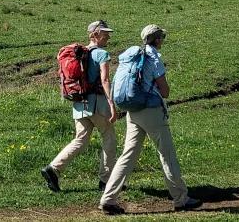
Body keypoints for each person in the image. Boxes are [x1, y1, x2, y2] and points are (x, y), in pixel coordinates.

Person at [99, 25, 201, 215]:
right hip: (151, 111)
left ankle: (108, 199)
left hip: (133, 110)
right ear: (157, 39)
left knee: (127, 155)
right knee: (167, 154)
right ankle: (181, 199)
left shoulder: (132, 55)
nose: (163, 40)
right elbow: (165, 91)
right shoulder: (154, 57)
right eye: (161, 37)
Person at [41, 20, 119, 192]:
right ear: (95, 34)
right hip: (97, 104)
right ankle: (106, 180)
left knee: (81, 140)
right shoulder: (102, 54)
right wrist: (112, 104)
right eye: (105, 34)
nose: (108, 36)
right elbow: (105, 80)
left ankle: (53, 168)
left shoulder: (79, 54)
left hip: (79, 103)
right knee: (109, 138)